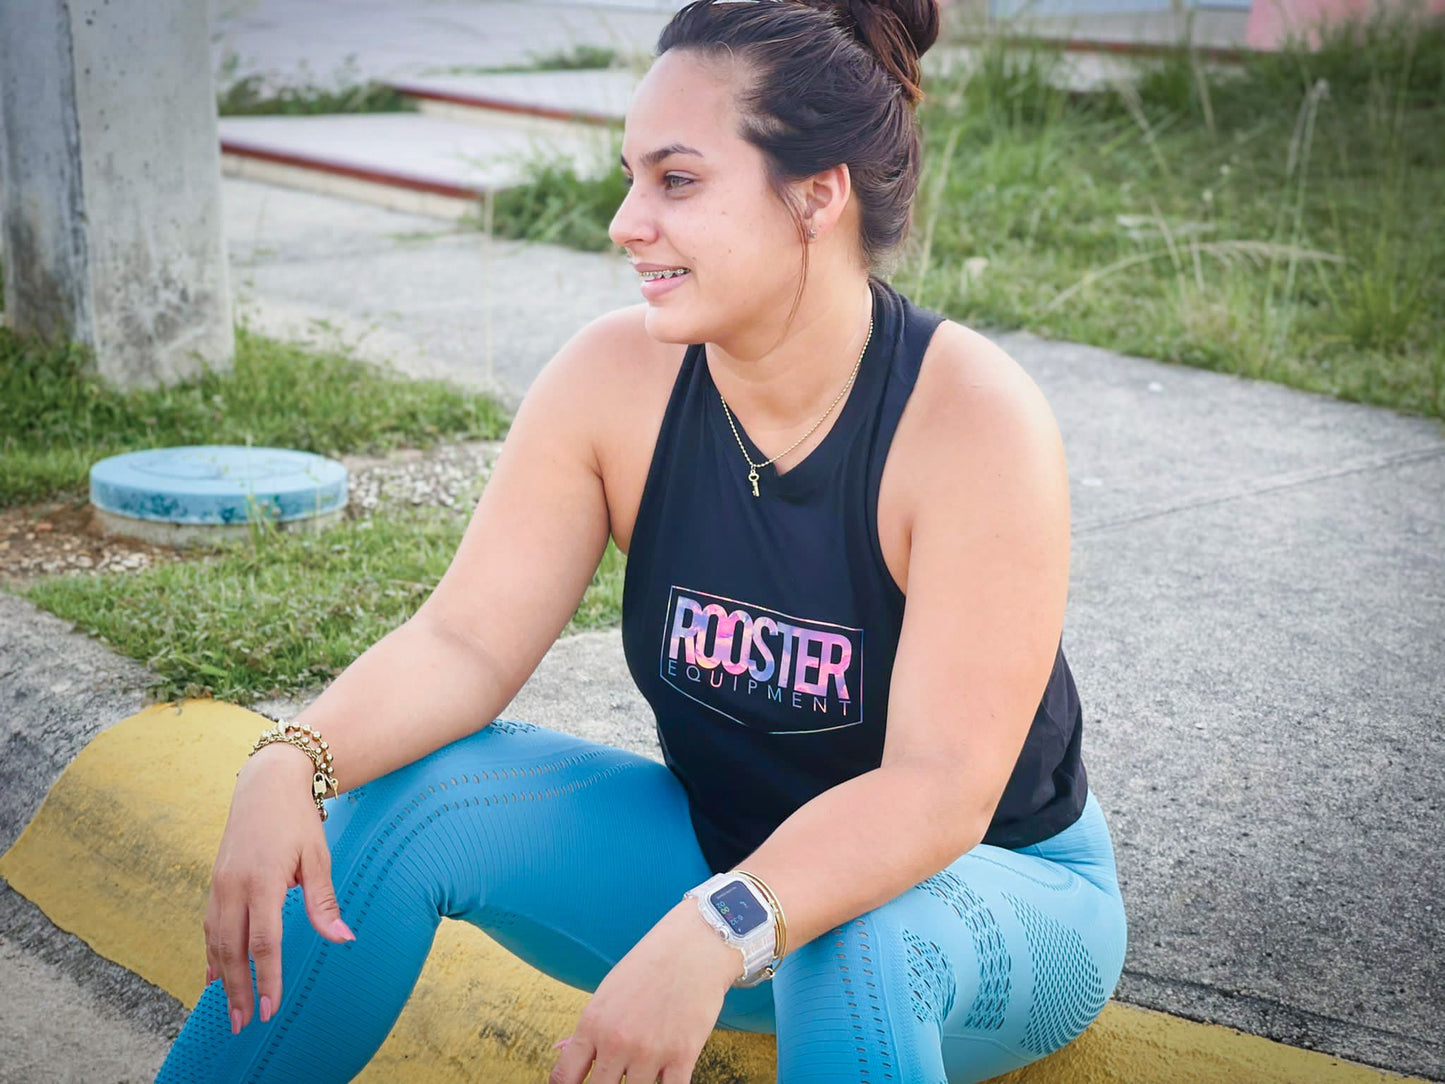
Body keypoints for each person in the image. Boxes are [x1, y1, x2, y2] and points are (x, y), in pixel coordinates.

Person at [155, 1, 1128, 1081]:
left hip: (979, 899)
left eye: (675, 181)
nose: (624, 220)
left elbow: (937, 789)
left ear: (816, 194)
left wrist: (723, 922)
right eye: (630, 176)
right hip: (711, 861)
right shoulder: (612, 379)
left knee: (852, 937)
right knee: (403, 800)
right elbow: (465, 643)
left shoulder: (969, 420)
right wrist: (288, 762)